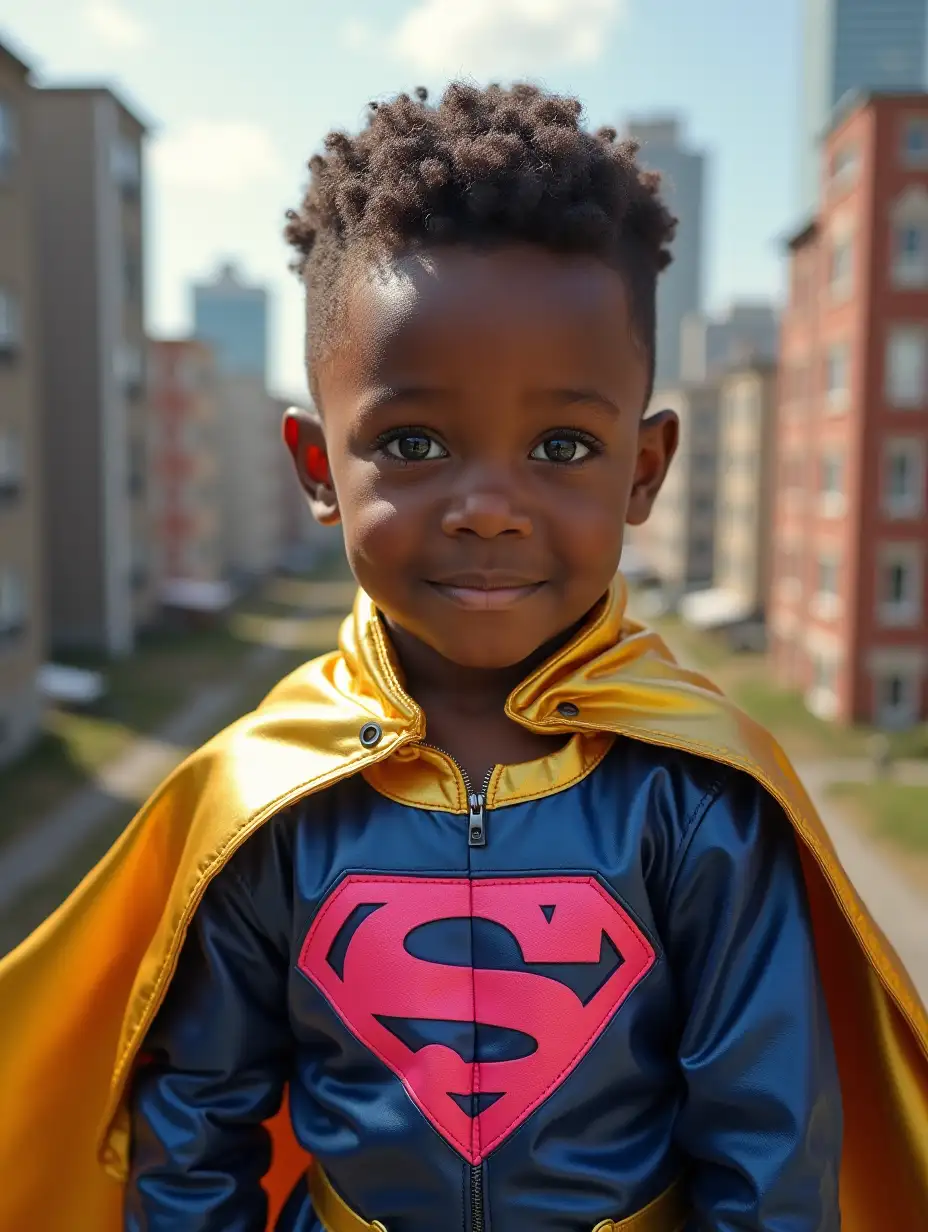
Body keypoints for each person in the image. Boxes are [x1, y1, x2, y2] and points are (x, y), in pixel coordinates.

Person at [1, 83, 927, 1232]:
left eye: (562, 444)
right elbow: (193, 1130)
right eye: (412, 441)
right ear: (314, 463)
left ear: (643, 469)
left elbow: (768, 1144)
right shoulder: (264, 803)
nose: (488, 506)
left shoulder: (700, 803)